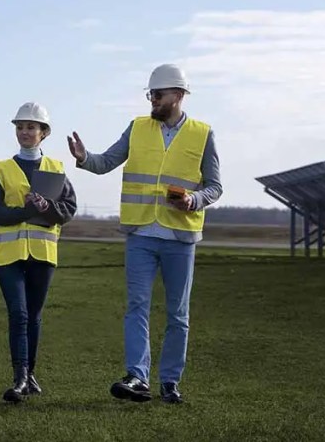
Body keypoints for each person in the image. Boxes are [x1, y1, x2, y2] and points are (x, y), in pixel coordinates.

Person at [66, 64, 221, 405]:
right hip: (140, 235)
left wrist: (194, 200)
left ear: (178, 96)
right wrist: (83, 158)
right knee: (136, 306)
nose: (153, 99)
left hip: (180, 238)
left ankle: (169, 382)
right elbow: (106, 161)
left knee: (178, 314)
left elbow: (215, 187)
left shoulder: (202, 133)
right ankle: (137, 377)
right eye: (150, 94)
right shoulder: (136, 128)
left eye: (159, 94)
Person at [0, 101, 78, 403]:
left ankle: (31, 374)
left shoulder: (57, 170)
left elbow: (67, 210)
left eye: (31, 127)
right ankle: (20, 377)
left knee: (34, 316)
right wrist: (28, 210)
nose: (25, 132)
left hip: (42, 253)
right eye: (20, 127)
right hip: (8, 255)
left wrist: (47, 207)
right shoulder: (0, 170)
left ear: (44, 133)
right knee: (19, 313)